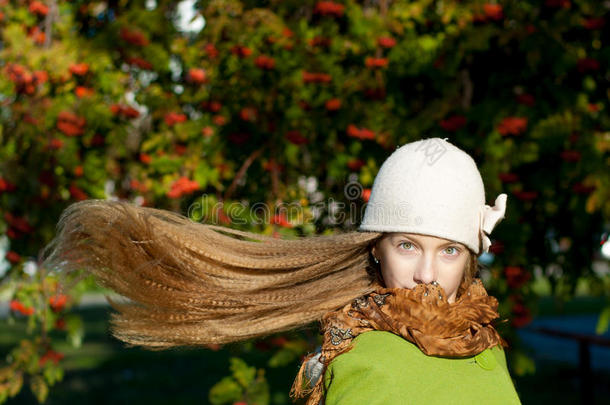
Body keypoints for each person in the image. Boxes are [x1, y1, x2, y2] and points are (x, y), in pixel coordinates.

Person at [41, 137, 521, 404]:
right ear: (376, 249)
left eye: (449, 251)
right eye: (407, 246)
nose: (426, 274)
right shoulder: (365, 362)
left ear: (472, 257)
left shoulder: (487, 348)